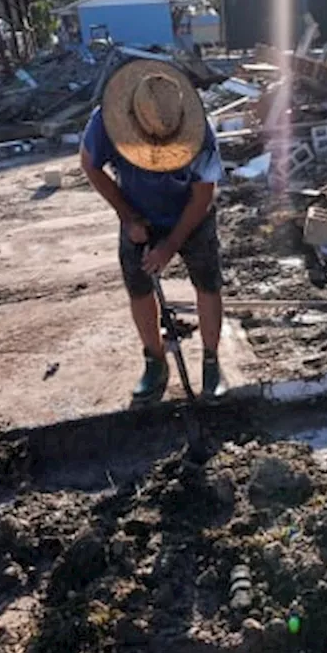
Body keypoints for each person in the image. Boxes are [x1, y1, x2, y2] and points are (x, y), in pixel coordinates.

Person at [79, 59, 227, 404]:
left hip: (191, 214)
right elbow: (90, 165)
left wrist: (171, 245)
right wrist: (128, 217)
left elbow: (203, 195)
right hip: (138, 211)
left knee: (208, 284)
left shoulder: (201, 132)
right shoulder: (105, 122)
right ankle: (155, 362)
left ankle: (211, 362)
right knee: (139, 288)